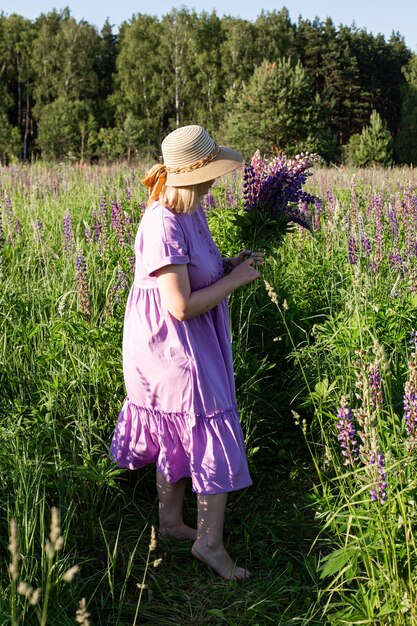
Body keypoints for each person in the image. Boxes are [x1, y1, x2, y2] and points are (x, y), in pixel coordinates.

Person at [110, 125, 263, 580]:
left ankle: (172, 522)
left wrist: (230, 265)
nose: (217, 180)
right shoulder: (162, 222)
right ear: (192, 175)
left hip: (179, 344)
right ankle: (210, 544)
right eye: (211, 172)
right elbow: (178, 305)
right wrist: (235, 282)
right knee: (207, 426)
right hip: (171, 349)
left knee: (176, 430)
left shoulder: (190, 210)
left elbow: (197, 274)